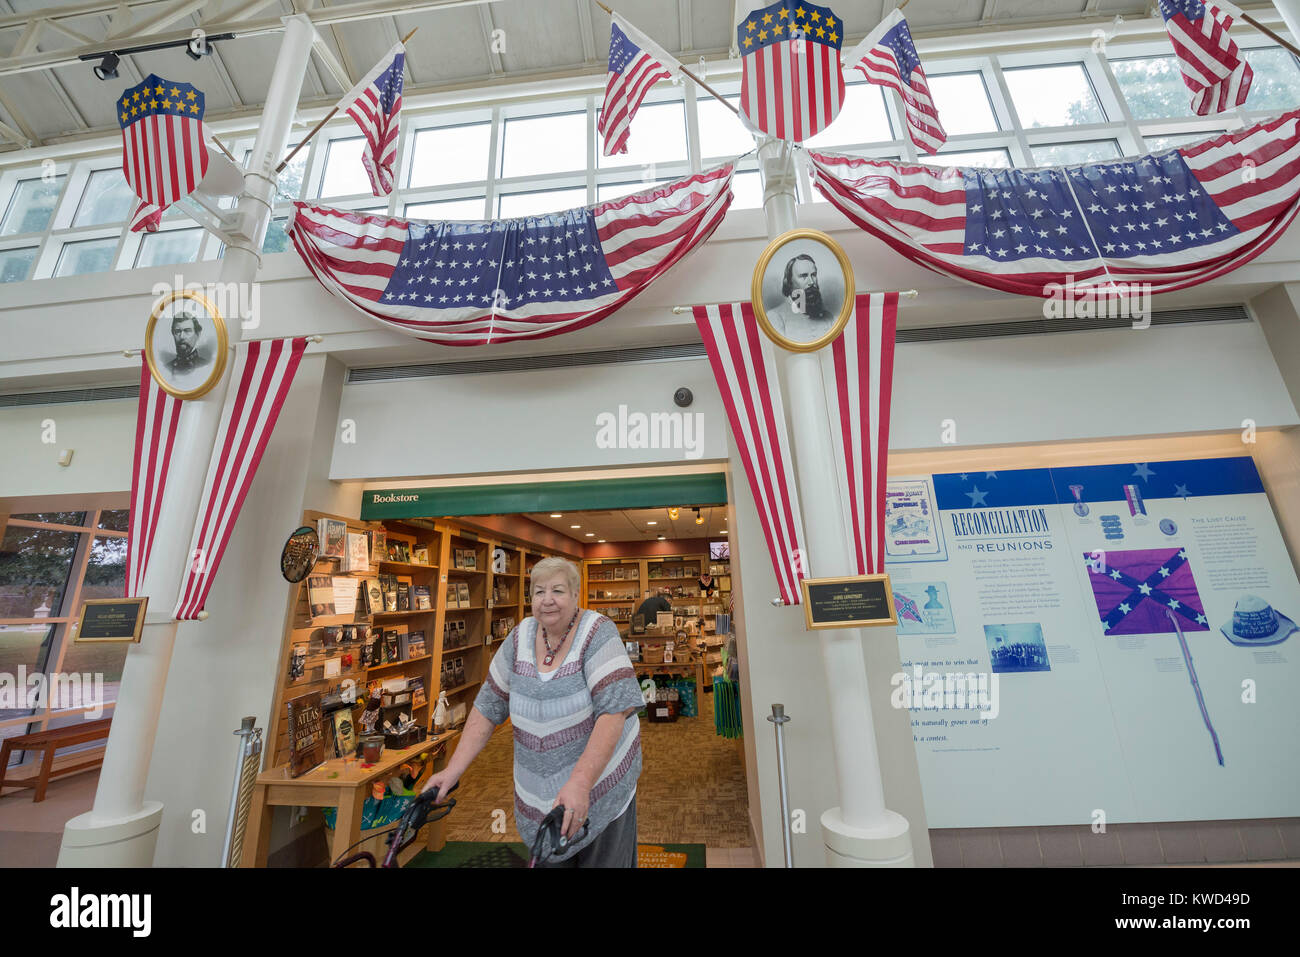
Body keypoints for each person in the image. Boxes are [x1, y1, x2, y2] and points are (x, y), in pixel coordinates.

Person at [421, 557, 644, 867]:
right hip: (540, 797)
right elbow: (488, 706)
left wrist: (580, 783)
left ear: (575, 593)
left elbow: (614, 713)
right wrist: (452, 771)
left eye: (557, 590)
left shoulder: (598, 632)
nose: (547, 600)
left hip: (598, 786)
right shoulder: (519, 637)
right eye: (539, 592)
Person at [766, 253, 835, 342]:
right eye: (803, 276)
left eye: (813, 275)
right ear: (789, 282)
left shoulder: (828, 317)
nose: (811, 282)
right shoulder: (775, 317)